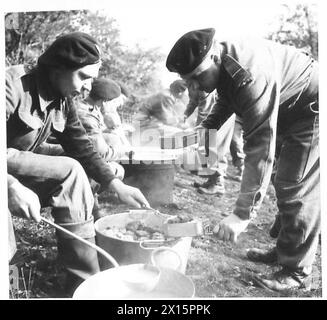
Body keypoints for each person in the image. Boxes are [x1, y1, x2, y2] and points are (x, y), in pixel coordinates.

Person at [166, 28, 319, 291]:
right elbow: (226, 103)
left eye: (197, 77)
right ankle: (286, 250)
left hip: (312, 109)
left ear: (214, 56)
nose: (194, 87)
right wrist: (196, 135)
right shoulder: (223, 67)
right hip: (288, 107)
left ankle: (297, 272)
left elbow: (259, 145)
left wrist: (241, 215)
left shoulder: (249, 72)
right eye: (187, 80)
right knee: (281, 182)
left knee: (295, 184)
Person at [6, 32, 149, 295]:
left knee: (74, 161)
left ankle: (84, 283)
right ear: (59, 67)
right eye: (83, 77)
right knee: (69, 170)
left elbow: (81, 146)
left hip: (17, 163)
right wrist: (11, 186)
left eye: (91, 79)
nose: (87, 87)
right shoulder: (11, 85)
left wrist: (116, 184)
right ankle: (86, 275)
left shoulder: (63, 97)